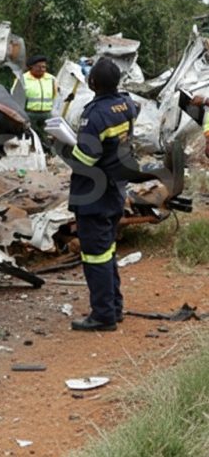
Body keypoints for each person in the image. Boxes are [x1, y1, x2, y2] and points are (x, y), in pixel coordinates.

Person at [65, 58, 138, 332]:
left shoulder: (95, 115)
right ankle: (114, 307)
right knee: (107, 252)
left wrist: (64, 147)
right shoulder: (126, 104)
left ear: (92, 82)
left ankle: (103, 315)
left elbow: (85, 159)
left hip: (93, 195)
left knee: (95, 256)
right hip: (115, 189)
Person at [14, 54, 57, 148]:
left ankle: (48, 153)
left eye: (44, 67)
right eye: (38, 67)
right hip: (29, 113)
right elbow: (16, 97)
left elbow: (55, 95)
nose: (41, 69)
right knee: (30, 136)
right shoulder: (22, 79)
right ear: (31, 67)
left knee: (47, 137)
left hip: (46, 114)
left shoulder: (51, 79)